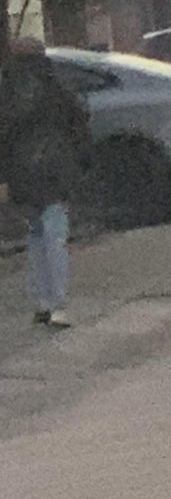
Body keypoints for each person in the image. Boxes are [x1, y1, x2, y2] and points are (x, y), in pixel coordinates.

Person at [0, 32, 91, 331]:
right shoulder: (57, 88)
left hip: (21, 175)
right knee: (55, 237)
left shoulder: (7, 93)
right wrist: (80, 165)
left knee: (36, 237)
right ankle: (58, 305)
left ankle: (41, 300)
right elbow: (79, 126)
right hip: (56, 172)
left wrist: (4, 178)